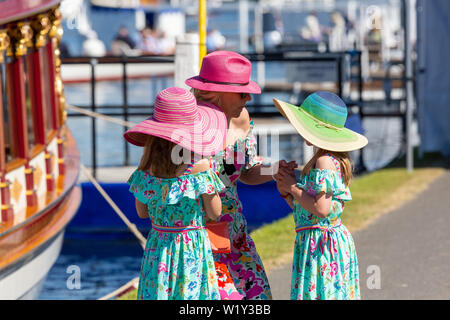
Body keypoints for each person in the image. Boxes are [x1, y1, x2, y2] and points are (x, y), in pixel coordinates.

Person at [185, 51, 294, 300]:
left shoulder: (242, 118)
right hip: (197, 233)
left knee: (257, 298)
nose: (247, 98)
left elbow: (245, 172)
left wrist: (273, 170)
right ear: (214, 92)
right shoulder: (188, 123)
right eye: (241, 92)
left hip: (234, 233)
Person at [123, 87, 228, 300]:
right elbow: (215, 212)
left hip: (158, 248)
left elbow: (142, 213)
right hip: (190, 248)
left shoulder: (145, 170)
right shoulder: (199, 168)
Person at [272, 91, 368, 300]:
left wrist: (293, 187)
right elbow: (310, 212)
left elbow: (321, 209)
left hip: (321, 247)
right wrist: (287, 190)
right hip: (320, 240)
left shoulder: (323, 161)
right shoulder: (327, 159)